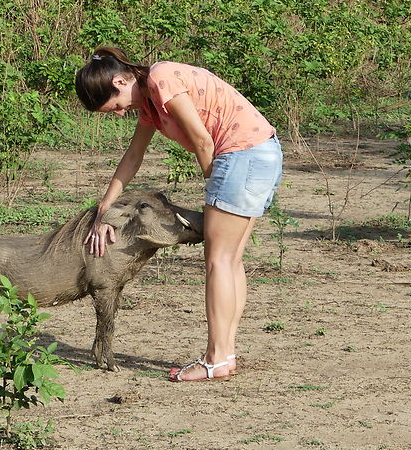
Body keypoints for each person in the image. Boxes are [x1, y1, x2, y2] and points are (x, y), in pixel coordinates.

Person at [75, 47, 283, 382]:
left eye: (114, 105)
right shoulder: (150, 107)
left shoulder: (161, 78)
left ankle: (214, 360)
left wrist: (213, 188)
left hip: (242, 155)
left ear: (119, 81)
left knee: (217, 260)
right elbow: (133, 156)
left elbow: (202, 141)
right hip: (256, 152)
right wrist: (104, 208)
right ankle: (225, 355)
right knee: (230, 261)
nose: (117, 113)